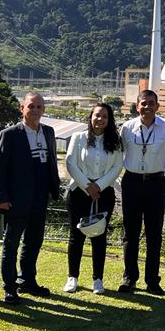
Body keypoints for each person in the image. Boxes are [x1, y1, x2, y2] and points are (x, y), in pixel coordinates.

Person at [0, 91, 60, 305]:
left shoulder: (48, 131)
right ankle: (9, 287)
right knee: (11, 244)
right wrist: (2, 198)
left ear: (44, 110)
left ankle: (28, 281)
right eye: (31, 106)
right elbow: (0, 170)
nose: (35, 110)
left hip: (40, 198)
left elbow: (51, 161)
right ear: (22, 108)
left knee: (33, 242)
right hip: (16, 199)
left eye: (39, 107)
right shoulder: (10, 134)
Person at [118, 89, 165, 294]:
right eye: (143, 103)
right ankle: (129, 278)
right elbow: (120, 153)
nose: (147, 107)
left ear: (157, 106)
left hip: (155, 183)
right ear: (137, 106)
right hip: (131, 182)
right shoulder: (127, 128)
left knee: (154, 234)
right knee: (130, 233)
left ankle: (152, 280)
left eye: (151, 103)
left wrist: (156, 171)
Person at [64, 103, 124, 295]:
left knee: (99, 236)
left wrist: (99, 186)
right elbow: (70, 163)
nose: (100, 119)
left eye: (105, 116)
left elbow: (117, 166)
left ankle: (98, 279)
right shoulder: (78, 137)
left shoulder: (115, 141)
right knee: (76, 236)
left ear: (109, 120)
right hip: (79, 191)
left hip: (104, 193)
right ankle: (72, 277)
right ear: (91, 117)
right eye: (97, 115)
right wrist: (87, 185)